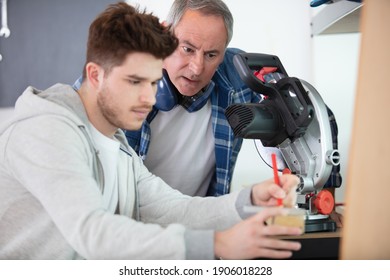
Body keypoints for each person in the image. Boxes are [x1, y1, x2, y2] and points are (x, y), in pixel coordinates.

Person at [0, 2, 303, 260]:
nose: (148, 98)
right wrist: (217, 243)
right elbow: (94, 231)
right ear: (96, 74)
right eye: (135, 82)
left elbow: (172, 208)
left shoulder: (116, 144)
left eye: (153, 82)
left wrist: (249, 199)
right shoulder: (47, 128)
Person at [124, 0, 343, 220]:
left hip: (202, 229)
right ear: (166, 36)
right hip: (132, 233)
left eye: (211, 55)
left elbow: (314, 113)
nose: (197, 68)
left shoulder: (233, 72)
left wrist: (325, 200)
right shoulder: (125, 81)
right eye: (187, 49)